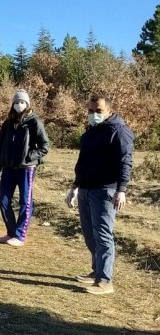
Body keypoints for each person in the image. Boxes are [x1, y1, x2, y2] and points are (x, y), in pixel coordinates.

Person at [66, 95, 133, 295]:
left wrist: (121, 190)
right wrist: (75, 186)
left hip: (105, 190)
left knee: (103, 234)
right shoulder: (89, 134)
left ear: (108, 111)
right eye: (91, 111)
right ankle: (96, 270)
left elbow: (126, 161)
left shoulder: (119, 131)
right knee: (90, 233)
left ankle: (105, 281)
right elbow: (82, 162)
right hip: (86, 188)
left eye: (98, 111)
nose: (94, 115)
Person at [0, 89, 50, 247]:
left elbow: (44, 147)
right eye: (16, 102)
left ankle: (20, 235)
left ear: (28, 104)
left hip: (26, 168)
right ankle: (11, 232)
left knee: (26, 201)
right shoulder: (8, 123)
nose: (19, 105)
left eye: (22, 102)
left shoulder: (34, 121)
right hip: (8, 168)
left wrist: (28, 157)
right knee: (3, 201)